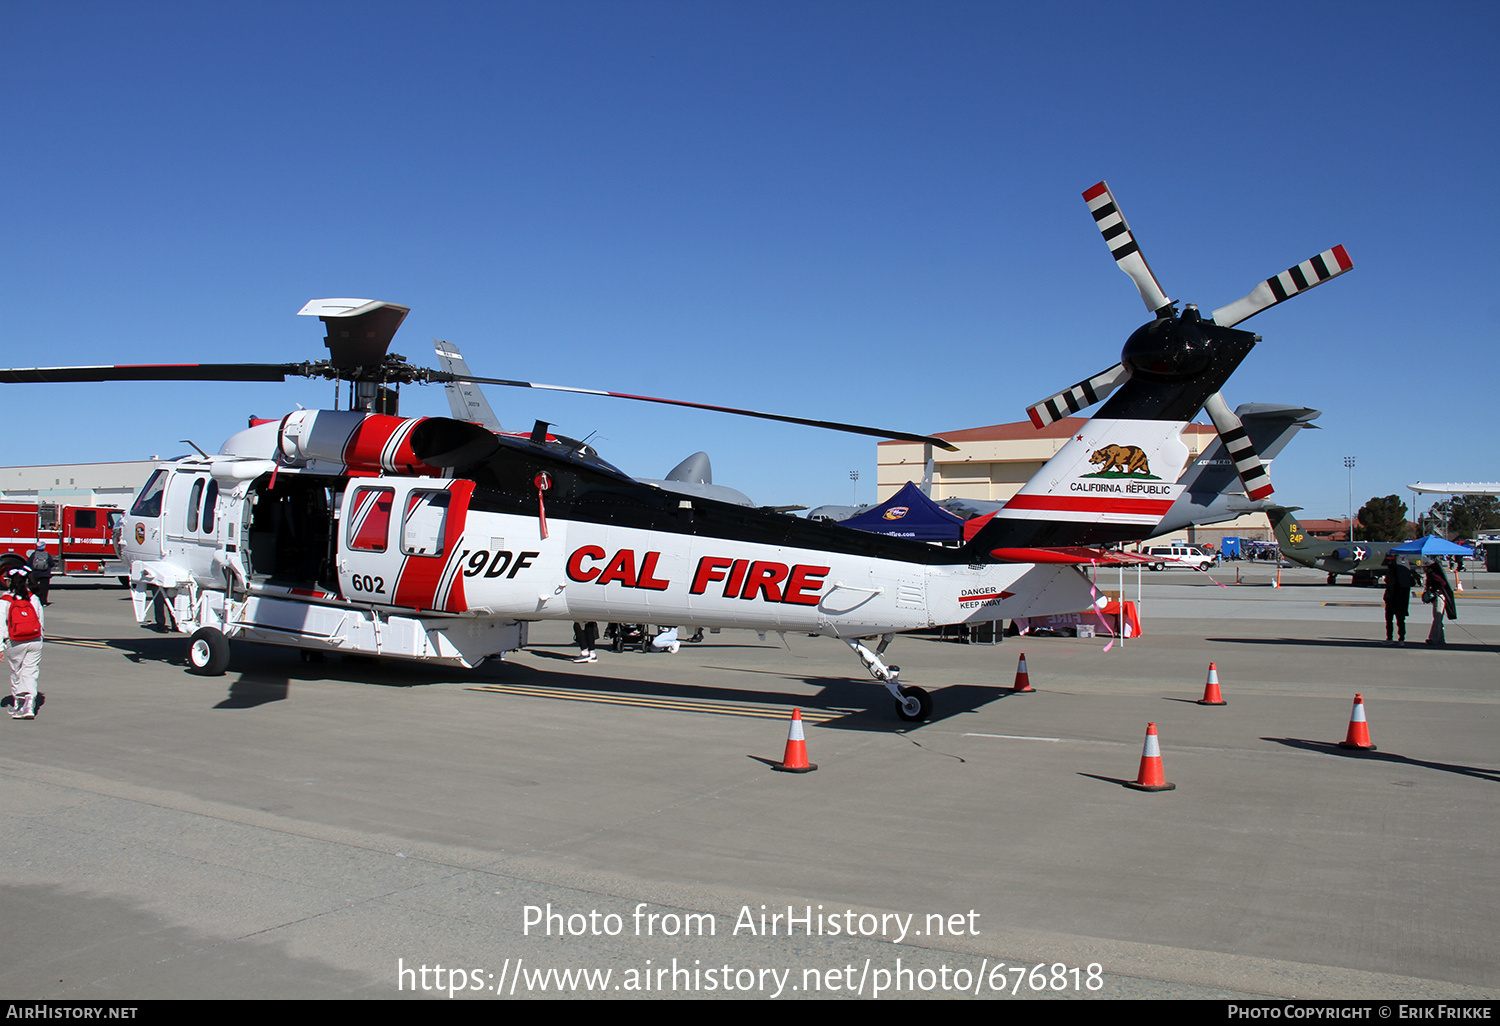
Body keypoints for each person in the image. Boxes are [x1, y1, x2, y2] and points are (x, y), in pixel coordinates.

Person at [1, 567, 44, 719]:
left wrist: (0, 646)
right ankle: (30, 702)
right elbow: (40, 620)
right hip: (35, 640)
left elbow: (1, 625)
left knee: (17, 672)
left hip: (16, 641)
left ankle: (18, 702)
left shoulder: (5, 600)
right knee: (30, 671)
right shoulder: (33, 598)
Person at [1421, 560, 1457, 646]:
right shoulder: (1431, 575)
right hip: (1438, 597)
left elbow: (1442, 583)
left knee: (1437, 618)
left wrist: (1433, 590)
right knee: (1438, 619)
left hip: (1439, 597)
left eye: (1424, 567)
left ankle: (1433, 639)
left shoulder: (1433, 575)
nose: (1423, 569)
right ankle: (1441, 639)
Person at [1382, 556, 1416, 646]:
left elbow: (1390, 583)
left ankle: (1390, 638)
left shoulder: (1391, 572)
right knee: (1401, 621)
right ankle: (1401, 639)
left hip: (1391, 599)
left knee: (1389, 620)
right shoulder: (1404, 572)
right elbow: (1412, 582)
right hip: (1402, 599)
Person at [26, 540, 58, 605]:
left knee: (34, 587)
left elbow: (28, 563)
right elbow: (52, 563)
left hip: (35, 573)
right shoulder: (47, 554)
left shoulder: (34, 554)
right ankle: (43, 602)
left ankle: (33, 601)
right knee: (44, 589)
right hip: (45, 574)